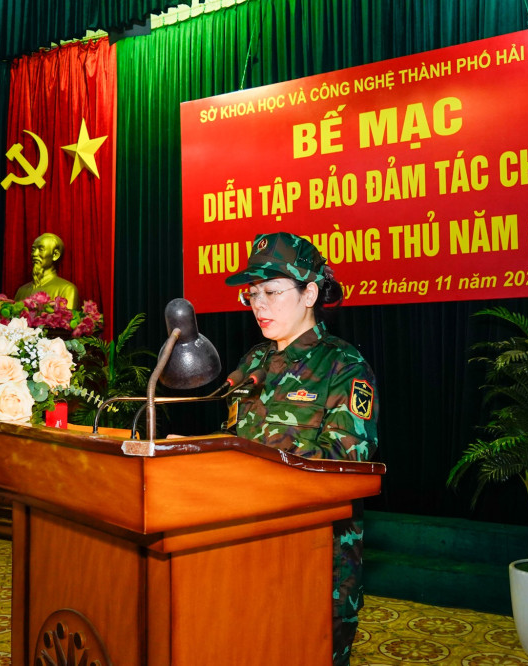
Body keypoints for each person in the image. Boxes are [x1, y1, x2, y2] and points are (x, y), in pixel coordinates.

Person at [224, 231, 379, 666]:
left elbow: (348, 464)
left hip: (316, 558)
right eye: (253, 294)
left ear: (309, 293)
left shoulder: (344, 366)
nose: (259, 305)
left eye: (272, 292)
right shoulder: (253, 362)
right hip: (245, 546)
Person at [14, 232, 80, 311]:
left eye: (41, 249)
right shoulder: (21, 291)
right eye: (33, 249)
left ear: (55, 255)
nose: (34, 254)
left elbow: (67, 317)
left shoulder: (67, 289)